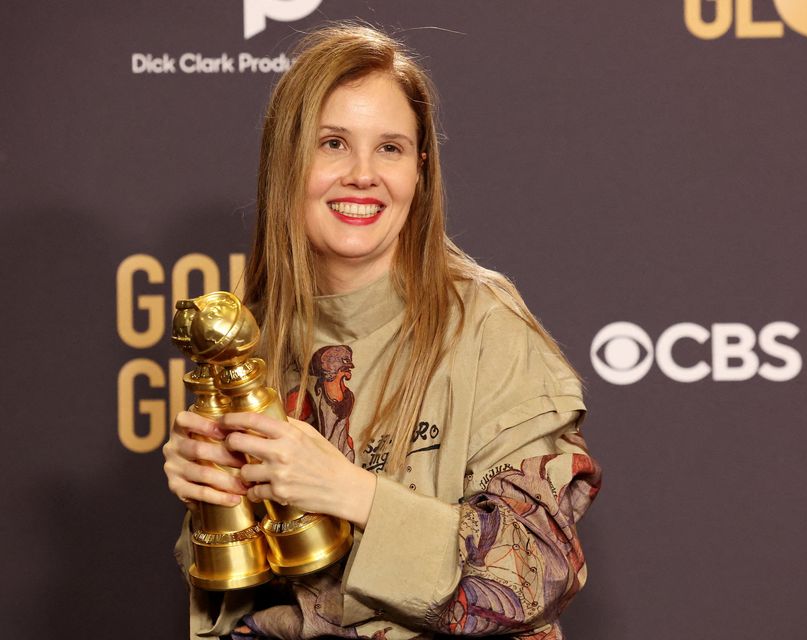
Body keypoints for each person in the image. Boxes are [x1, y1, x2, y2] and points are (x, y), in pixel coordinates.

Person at [162, 23, 601, 640]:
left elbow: (538, 569)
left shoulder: (486, 326)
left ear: (420, 170)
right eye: (334, 143)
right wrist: (210, 503)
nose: (363, 174)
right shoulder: (251, 333)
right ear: (287, 163)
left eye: (390, 148)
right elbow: (242, 594)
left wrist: (353, 492)